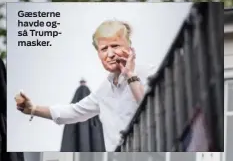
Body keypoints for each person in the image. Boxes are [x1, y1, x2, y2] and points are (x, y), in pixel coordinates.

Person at [14, 20, 155, 152]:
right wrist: (33, 109)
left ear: (129, 48)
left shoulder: (150, 73)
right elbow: (73, 112)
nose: (110, 54)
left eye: (115, 46)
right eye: (104, 49)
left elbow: (151, 107)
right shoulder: (104, 90)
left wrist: (130, 74)